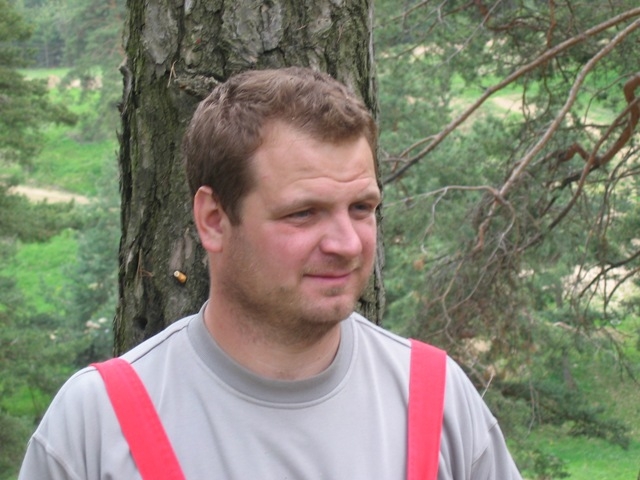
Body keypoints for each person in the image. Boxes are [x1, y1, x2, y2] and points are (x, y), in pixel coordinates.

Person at [19, 67, 522, 479]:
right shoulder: (97, 426)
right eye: (303, 213)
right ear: (214, 220)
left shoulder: (436, 403)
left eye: (361, 208)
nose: (347, 244)